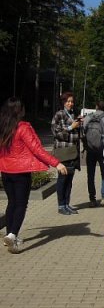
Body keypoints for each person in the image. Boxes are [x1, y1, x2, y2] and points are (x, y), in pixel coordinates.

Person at [0, 97, 67, 253]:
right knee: (21, 205)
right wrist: (56, 163)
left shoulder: (3, 127)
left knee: (12, 203)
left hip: (6, 171)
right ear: (19, 110)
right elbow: (37, 149)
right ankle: (12, 235)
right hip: (21, 172)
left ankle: (10, 235)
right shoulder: (23, 128)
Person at [51, 91, 82, 215]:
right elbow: (56, 133)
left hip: (73, 152)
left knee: (69, 180)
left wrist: (80, 125)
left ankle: (67, 203)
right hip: (63, 152)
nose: (70, 103)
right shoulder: (59, 114)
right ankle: (61, 205)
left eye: (72, 101)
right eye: (68, 101)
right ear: (63, 102)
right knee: (62, 179)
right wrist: (71, 127)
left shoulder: (74, 114)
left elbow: (77, 134)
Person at [83, 100, 104, 208]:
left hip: (90, 150)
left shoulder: (88, 117)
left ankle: (92, 199)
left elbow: (83, 131)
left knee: (90, 175)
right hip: (103, 149)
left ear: (96, 106)